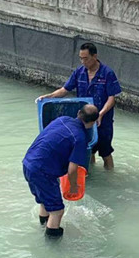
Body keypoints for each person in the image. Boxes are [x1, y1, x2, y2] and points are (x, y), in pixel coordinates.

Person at [37, 42, 122, 170]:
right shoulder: (79, 72)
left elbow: (111, 99)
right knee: (88, 149)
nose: (83, 62)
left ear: (94, 56)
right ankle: (91, 171)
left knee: (106, 152)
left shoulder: (107, 73)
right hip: (86, 119)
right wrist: (49, 97)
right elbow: (65, 90)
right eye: (81, 58)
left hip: (103, 121)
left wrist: (100, 114)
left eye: (86, 58)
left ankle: (110, 174)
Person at [23, 104, 99, 237]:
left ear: (78, 113)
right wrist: (74, 186)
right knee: (57, 211)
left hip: (28, 163)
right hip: (42, 172)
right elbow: (72, 169)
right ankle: (51, 245)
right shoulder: (80, 138)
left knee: (45, 203)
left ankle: (43, 228)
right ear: (93, 122)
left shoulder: (62, 119)